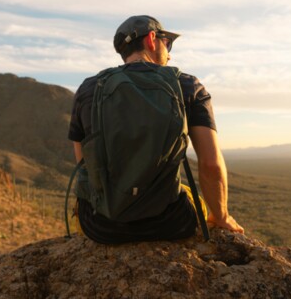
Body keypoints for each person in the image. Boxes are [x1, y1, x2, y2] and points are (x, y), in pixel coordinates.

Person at [68, 15, 244, 244]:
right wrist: (221, 216)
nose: (169, 53)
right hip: (169, 223)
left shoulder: (89, 88)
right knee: (193, 199)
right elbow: (210, 163)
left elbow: (84, 163)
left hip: (101, 227)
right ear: (152, 39)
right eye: (167, 43)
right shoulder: (188, 85)